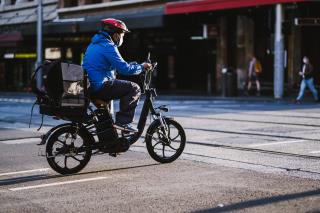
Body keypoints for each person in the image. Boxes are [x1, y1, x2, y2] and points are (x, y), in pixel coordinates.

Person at [82, 18, 152, 132]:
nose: (122, 38)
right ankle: (124, 122)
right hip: (100, 86)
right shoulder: (108, 46)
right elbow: (125, 69)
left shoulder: (94, 44)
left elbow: (109, 66)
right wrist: (142, 67)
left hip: (90, 86)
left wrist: (134, 65)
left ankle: (108, 142)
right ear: (116, 35)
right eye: (122, 35)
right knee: (134, 88)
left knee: (106, 118)